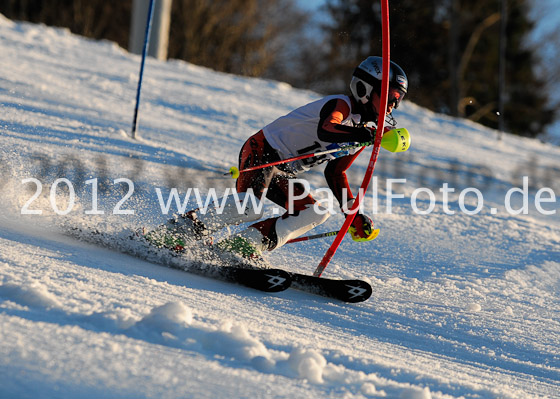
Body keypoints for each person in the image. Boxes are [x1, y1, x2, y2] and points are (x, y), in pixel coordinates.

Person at [147, 56, 409, 259]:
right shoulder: (341, 106)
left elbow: (335, 173)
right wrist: (365, 134)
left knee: (316, 212)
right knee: (250, 206)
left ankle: (242, 246)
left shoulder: (365, 134)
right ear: (365, 89)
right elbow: (327, 128)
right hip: (263, 151)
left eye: (398, 100)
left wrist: (352, 212)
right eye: (390, 96)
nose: (392, 105)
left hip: (282, 170)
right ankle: (174, 233)